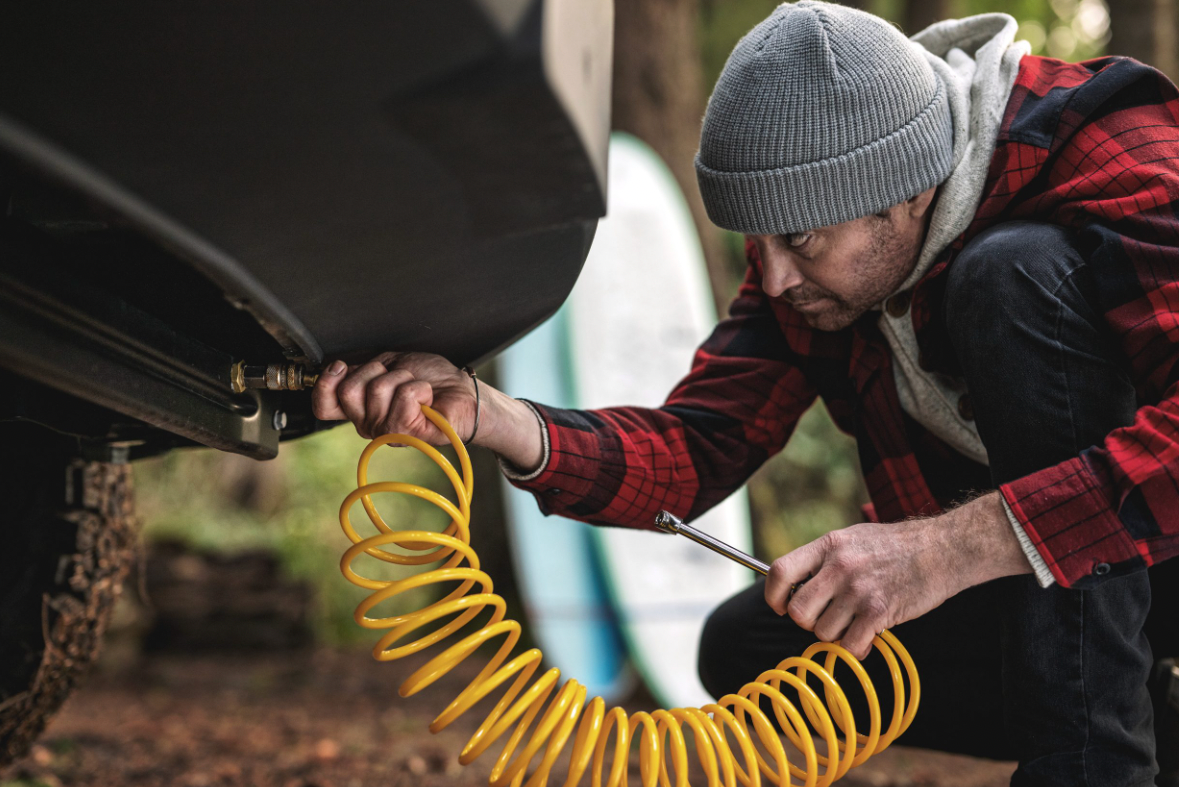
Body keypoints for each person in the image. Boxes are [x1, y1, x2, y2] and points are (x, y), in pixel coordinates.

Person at [313, 2, 1179, 783]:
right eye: (754, 243)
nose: (770, 276)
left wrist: (941, 552)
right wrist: (489, 413)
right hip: (1076, 613)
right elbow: (692, 449)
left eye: (800, 239)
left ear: (907, 191)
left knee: (1008, 274)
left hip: (1155, 552)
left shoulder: (1114, 156)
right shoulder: (804, 276)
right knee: (752, 646)